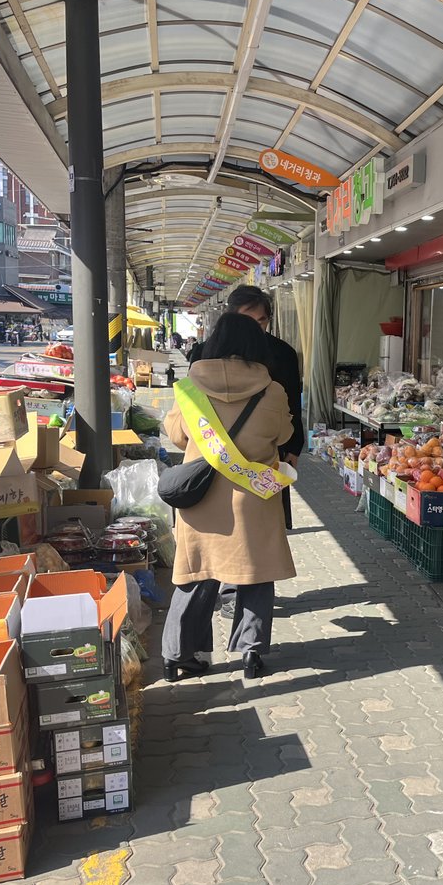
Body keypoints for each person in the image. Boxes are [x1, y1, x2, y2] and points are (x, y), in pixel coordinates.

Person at [162, 312, 296, 682]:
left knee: (196, 574)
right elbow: (283, 435)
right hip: (253, 497)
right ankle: (251, 653)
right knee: (256, 574)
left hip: (201, 496)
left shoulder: (189, 387)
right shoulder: (272, 390)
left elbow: (177, 436)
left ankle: (177, 656)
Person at [190, 286, 304, 528]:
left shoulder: (282, 353)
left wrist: (295, 447)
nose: (254, 328)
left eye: (262, 321)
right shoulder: (203, 352)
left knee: (262, 524)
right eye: (247, 319)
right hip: (212, 453)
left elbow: (293, 402)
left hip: (264, 455)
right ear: (231, 317)